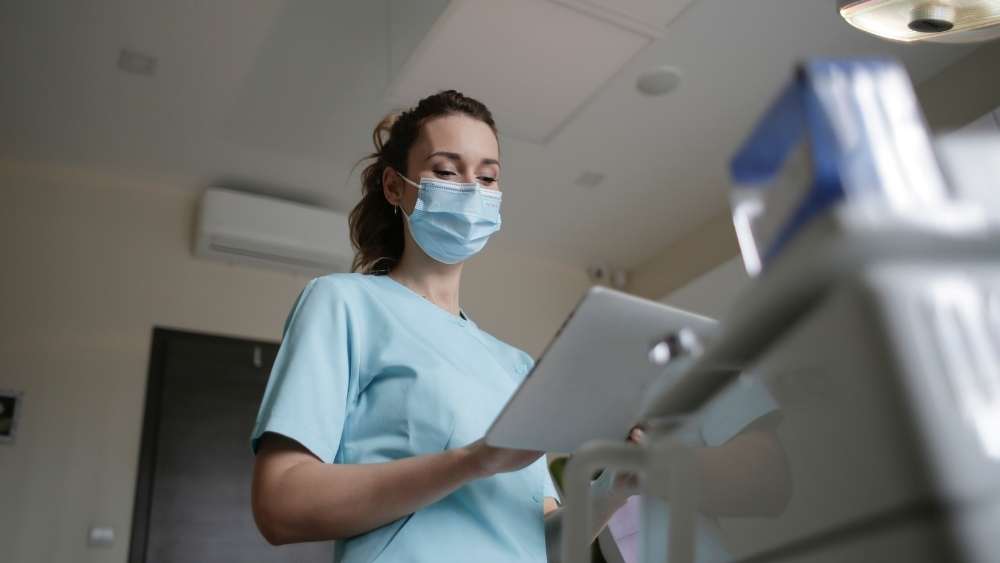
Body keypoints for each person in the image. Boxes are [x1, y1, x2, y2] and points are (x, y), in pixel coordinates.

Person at [249, 90, 628, 563]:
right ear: (395, 187)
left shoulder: (516, 366)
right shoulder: (343, 304)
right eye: (447, 171)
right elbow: (280, 504)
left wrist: (615, 488)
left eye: (488, 176)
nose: (471, 189)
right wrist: (476, 460)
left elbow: (540, 546)